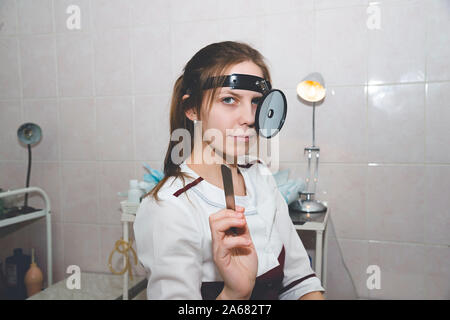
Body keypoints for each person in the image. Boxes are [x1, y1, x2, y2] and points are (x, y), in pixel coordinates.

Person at [133, 41, 325, 300]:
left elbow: (301, 281)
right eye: (229, 99)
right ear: (192, 109)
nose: (249, 117)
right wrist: (235, 293)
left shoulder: (260, 176)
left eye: (256, 101)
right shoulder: (169, 207)